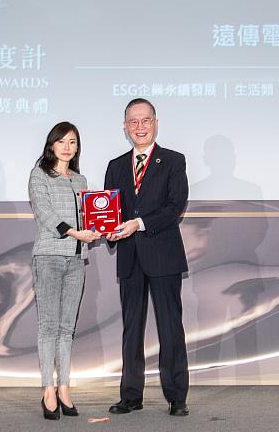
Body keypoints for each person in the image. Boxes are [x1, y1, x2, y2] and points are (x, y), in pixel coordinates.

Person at [104, 98, 190, 417]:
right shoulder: (115, 166)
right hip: (130, 257)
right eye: (133, 121)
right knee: (131, 329)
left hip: (163, 255)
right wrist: (110, 231)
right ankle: (131, 395)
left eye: (145, 120)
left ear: (155, 123)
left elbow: (175, 206)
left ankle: (177, 396)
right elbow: (110, 212)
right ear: (124, 126)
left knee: (170, 327)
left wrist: (138, 224)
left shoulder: (173, 161)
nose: (139, 127)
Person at [28, 121, 100, 420]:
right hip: (49, 256)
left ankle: (64, 389)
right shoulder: (39, 174)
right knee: (48, 327)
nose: (67, 147)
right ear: (52, 144)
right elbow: (44, 213)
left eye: (73, 142)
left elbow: (89, 215)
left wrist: (98, 228)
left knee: (67, 329)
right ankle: (48, 390)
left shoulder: (80, 180)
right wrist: (74, 232)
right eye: (62, 141)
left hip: (76, 258)